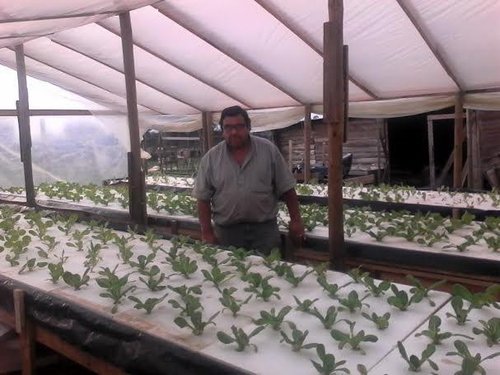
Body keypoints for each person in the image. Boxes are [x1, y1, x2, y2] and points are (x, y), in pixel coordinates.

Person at [192, 105, 305, 254]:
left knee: (268, 272)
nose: (234, 132)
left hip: (264, 230)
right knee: (230, 273)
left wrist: (296, 221)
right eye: (228, 127)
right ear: (222, 130)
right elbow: (203, 199)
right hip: (227, 231)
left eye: (239, 126)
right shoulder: (211, 158)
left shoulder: (268, 150)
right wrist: (206, 232)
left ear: (249, 127)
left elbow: (287, 189)